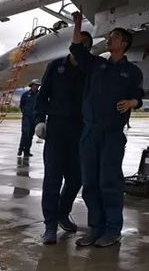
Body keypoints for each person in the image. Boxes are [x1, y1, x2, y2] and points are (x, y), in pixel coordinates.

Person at [70, 12, 144, 248]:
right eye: (110, 36)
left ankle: (113, 229)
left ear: (124, 44)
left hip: (112, 133)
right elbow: (77, 49)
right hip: (90, 132)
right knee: (90, 182)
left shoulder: (132, 72)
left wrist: (132, 103)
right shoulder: (97, 64)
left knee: (109, 181)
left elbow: (139, 97)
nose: (110, 39)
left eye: (115, 37)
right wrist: (78, 24)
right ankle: (95, 228)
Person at [33, 44, 87, 244]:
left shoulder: (88, 69)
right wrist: (39, 120)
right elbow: (42, 95)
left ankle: (63, 213)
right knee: (52, 180)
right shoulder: (55, 66)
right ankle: (50, 226)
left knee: (76, 179)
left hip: (80, 130)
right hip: (56, 130)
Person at [18, 79, 40, 158]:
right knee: (25, 133)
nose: (36, 86)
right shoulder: (26, 94)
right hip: (27, 117)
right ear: (32, 85)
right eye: (35, 85)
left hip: (35, 118)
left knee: (31, 134)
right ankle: (20, 149)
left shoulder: (39, 95)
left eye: (37, 85)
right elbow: (21, 105)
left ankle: (27, 151)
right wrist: (25, 112)